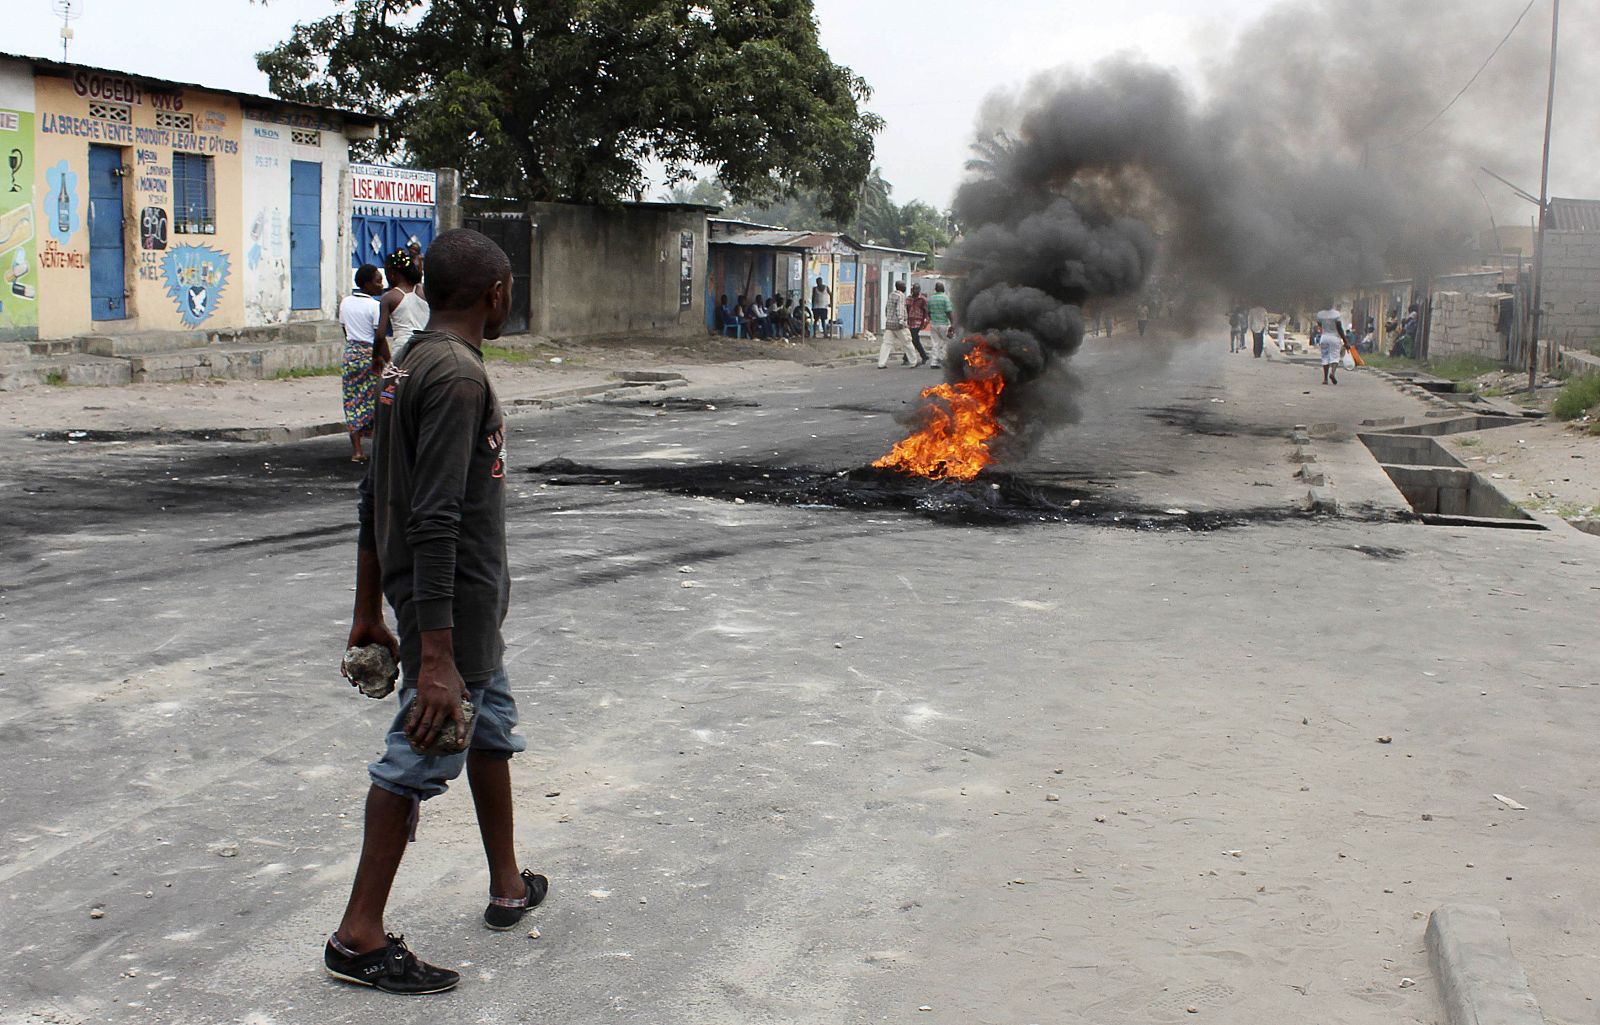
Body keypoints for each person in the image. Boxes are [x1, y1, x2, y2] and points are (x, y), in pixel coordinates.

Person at [326, 228, 546, 996]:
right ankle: (359, 934)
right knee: (424, 747)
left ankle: (508, 883)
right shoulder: (453, 376)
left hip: (445, 610)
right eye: (509, 285)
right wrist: (437, 657)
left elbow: (372, 494)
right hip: (451, 612)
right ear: (494, 293)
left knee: (491, 728)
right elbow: (435, 516)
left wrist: (366, 611)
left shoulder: (405, 366)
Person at [340, 264, 386, 463]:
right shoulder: (375, 306)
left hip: (351, 354)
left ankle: (356, 450)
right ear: (367, 284)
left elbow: (344, 330)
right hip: (370, 355)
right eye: (378, 280)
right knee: (376, 401)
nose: (381, 285)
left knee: (352, 401)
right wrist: (385, 359)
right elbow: (380, 336)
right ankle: (380, 448)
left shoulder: (345, 302)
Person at [377, 248, 429, 366]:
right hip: (426, 348)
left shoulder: (389, 297)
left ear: (392, 273)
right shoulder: (424, 291)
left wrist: (376, 356)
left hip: (402, 350)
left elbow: (380, 335)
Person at [877, 280, 920, 369]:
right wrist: (901, 320)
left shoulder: (891, 294)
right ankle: (913, 362)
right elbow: (900, 308)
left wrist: (888, 318)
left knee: (886, 344)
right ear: (901, 287)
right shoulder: (901, 296)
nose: (905, 287)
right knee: (907, 342)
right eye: (904, 285)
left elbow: (887, 308)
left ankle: (881, 363)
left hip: (889, 324)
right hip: (898, 324)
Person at [1316, 306, 1348, 385]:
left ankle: (1325, 379)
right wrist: (1345, 341)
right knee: (1335, 357)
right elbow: (1339, 328)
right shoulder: (1336, 314)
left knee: (1325, 357)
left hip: (1324, 337)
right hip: (1334, 337)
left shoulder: (1320, 314)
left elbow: (1319, 324)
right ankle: (1332, 373)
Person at [926, 281, 954, 368]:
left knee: (935, 343)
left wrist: (931, 319)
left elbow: (928, 312)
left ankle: (934, 362)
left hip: (934, 324)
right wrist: (953, 323)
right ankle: (942, 357)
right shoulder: (945, 298)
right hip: (943, 324)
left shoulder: (931, 299)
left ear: (935, 289)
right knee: (949, 341)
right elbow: (949, 311)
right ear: (944, 289)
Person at [906, 284, 931, 366]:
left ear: (919, 290)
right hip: (909, 321)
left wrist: (926, 321)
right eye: (914, 289)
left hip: (918, 322)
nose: (915, 291)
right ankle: (922, 356)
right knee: (912, 340)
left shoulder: (922, 299)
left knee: (914, 339)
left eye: (917, 289)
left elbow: (926, 311)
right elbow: (906, 309)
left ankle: (922, 356)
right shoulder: (909, 299)